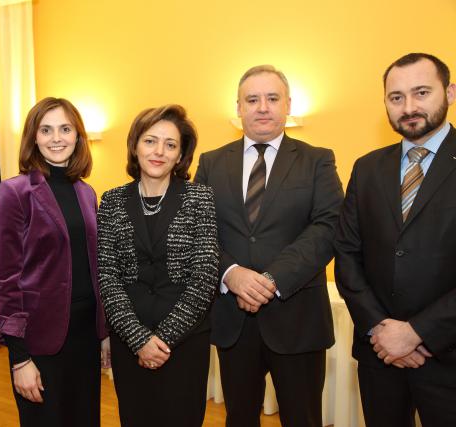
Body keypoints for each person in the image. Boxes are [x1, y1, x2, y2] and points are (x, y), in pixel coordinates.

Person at [195, 65, 344, 427]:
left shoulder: (317, 159)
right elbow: (199, 231)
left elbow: (328, 227)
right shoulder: (211, 163)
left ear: (287, 105)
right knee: (239, 418)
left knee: (303, 418)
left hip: (297, 318)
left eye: (272, 98)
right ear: (239, 108)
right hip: (233, 320)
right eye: (252, 99)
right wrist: (231, 274)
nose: (262, 107)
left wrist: (271, 279)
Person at [334, 52, 456, 427]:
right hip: (379, 354)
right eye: (396, 97)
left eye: (421, 92)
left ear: (450, 92)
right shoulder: (367, 167)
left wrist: (417, 332)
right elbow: (347, 254)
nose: (409, 107)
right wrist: (381, 330)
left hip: (449, 355)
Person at [0, 97, 109, 427]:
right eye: (46, 129)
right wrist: (19, 358)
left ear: (78, 137)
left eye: (65, 129)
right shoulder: (14, 192)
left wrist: (103, 333)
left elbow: (93, 268)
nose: (56, 138)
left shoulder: (86, 192)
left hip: (84, 337)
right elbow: (4, 279)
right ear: (34, 137)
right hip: (39, 340)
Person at [97, 104, 219, 427]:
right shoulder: (110, 201)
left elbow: (205, 276)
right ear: (135, 146)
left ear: (180, 156)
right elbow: (107, 276)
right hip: (129, 340)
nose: (159, 152)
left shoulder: (200, 199)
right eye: (150, 141)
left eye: (170, 144)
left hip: (184, 343)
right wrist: (139, 340)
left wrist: (162, 340)